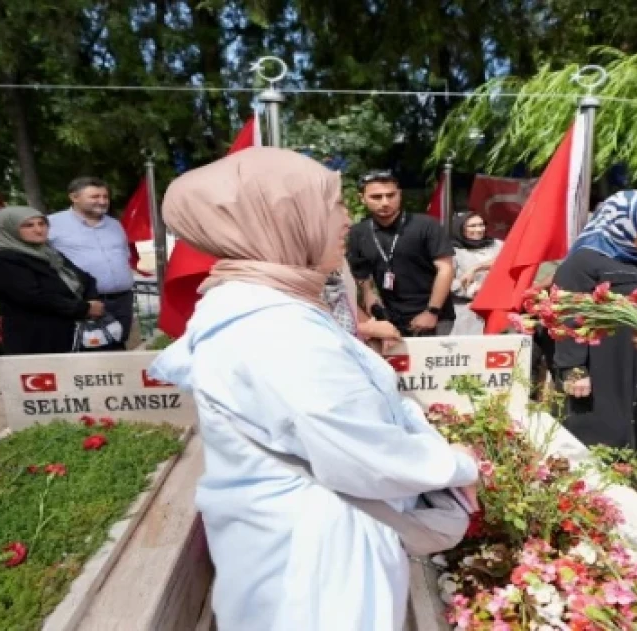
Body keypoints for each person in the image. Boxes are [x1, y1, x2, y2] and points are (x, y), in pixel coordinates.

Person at [147, 148, 479, 631]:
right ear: (284, 219)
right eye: (331, 205)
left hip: (304, 555)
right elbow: (361, 452)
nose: (347, 218)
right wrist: (460, 464)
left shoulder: (270, 306)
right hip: (315, 577)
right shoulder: (275, 327)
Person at [553, 190, 637, 451]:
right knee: (598, 438)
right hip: (603, 365)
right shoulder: (585, 261)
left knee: (634, 434)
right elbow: (566, 315)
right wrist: (574, 370)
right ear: (624, 222)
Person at [346, 170, 455, 336]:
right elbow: (360, 270)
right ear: (362, 198)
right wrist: (368, 293)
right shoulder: (358, 232)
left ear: (400, 195)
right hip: (388, 317)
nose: (385, 202)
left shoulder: (426, 225)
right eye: (376, 197)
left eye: (391, 195)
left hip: (433, 315)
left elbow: (446, 269)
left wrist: (432, 311)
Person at [0, 206, 103, 354]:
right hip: (36, 338)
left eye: (42, 223)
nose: (39, 230)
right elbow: (32, 297)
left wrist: (92, 302)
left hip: (67, 332)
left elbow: (86, 279)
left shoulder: (49, 253)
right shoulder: (4, 260)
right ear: (10, 228)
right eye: (29, 225)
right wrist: (84, 308)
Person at [48, 177, 135, 349]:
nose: (102, 201)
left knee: (118, 349)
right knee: (90, 355)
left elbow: (125, 255)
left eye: (105, 197)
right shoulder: (52, 224)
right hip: (85, 303)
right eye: (95, 197)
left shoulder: (114, 224)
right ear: (74, 197)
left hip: (122, 300)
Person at [449, 213, 504, 335]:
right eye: (472, 226)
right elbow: (448, 281)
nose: (478, 229)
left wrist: (475, 268)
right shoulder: (453, 251)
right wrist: (472, 290)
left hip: (498, 307)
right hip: (468, 310)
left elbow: (505, 262)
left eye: (481, 225)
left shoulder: (498, 245)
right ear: (460, 228)